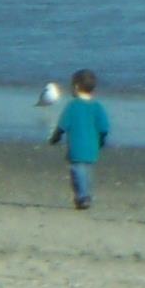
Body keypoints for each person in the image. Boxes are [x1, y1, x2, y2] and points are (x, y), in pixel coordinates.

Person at [48, 68, 111, 210]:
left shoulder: (73, 106)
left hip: (77, 147)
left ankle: (82, 197)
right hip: (92, 147)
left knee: (78, 171)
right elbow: (104, 128)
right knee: (87, 171)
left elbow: (62, 125)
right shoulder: (97, 107)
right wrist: (101, 141)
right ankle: (85, 195)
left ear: (76, 87)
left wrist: (55, 137)